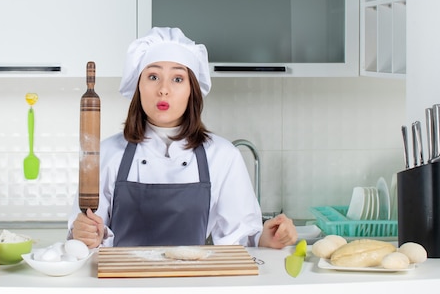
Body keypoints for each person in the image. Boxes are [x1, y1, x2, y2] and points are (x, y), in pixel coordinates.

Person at [67, 27, 297, 249]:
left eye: (177, 79)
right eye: (153, 76)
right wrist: (85, 235)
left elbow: (243, 238)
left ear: (191, 90)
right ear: (139, 86)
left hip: (192, 284)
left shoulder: (222, 156)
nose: (163, 89)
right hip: (122, 284)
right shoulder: (105, 154)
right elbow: (86, 237)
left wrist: (266, 238)